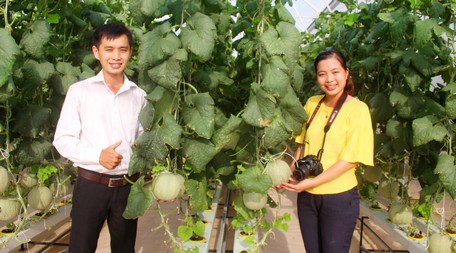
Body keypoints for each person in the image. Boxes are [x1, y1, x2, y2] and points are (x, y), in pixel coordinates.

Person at [53, 23, 147, 253]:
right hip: (91, 186)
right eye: (109, 49)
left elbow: (143, 140)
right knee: (81, 248)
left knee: (125, 250)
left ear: (130, 52)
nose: (116, 56)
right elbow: (62, 139)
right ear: (96, 52)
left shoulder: (139, 96)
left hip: (127, 187)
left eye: (122, 50)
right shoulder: (80, 91)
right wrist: (98, 156)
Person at [280, 49, 374, 253]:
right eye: (322, 74)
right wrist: (289, 175)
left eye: (335, 72)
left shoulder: (358, 110)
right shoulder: (313, 103)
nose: (329, 79)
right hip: (307, 197)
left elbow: (351, 160)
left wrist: (311, 182)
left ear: (346, 73)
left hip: (338, 198)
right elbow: (302, 145)